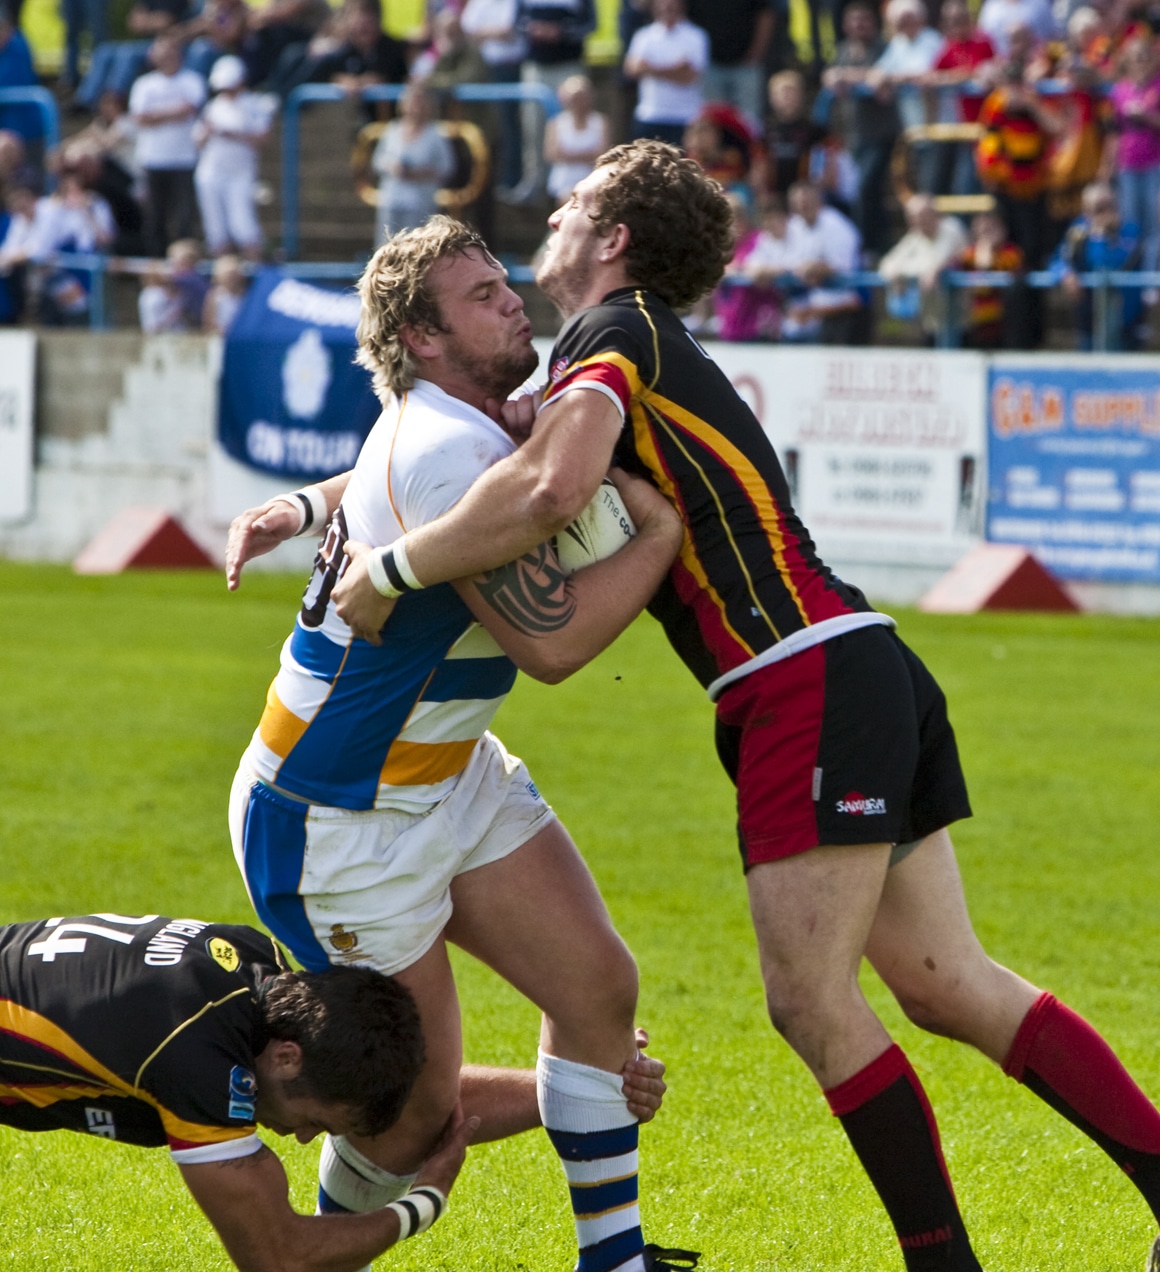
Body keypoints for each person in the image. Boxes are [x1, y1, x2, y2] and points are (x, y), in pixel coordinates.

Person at [299, 139, 1160, 1271]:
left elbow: (545, 487)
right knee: (947, 982)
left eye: (570, 203)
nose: (547, 218)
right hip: (853, 662)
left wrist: (394, 571)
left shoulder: (615, 334)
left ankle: (940, 1261)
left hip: (799, 677)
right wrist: (311, 501)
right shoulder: (622, 346)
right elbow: (479, 460)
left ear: (610, 239)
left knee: (809, 1001)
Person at [225, 216, 694, 1272]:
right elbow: (557, 645)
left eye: (501, 280)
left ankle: (615, 1263)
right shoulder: (444, 451)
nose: (513, 298)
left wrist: (306, 504)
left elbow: (426, 474)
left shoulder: (453, 420)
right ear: (422, 341)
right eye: (482, 296)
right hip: (338, 813)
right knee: (409, 1118)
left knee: (596, 989)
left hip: (442, 772)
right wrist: (658, 535)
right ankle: (318, 1250)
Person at [0, 910, 467, 1271]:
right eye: (316, 1122)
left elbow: (441, 1096)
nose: (303, 1138)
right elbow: (278, 1258)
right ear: (287, 1057)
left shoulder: (260, 961)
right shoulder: (197, 1055)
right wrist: (421, 1204)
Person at [129, 33, 207, 257]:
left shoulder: (192, 81)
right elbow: (139, 118)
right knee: (155, 217)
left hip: (184, 159)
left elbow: (189, 109)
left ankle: (187, 263)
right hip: (153, 159)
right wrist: (173, 112)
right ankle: (156, 261)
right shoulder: (144, 84)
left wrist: (155, 115)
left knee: (184, 217)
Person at [193, 54, 273, 259]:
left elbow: (262, 139)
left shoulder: (256, 104)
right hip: (211, 172)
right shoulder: (212, 106)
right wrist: (208, 132)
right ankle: (224, 280)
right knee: (216, 232)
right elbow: (198, 141)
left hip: (240, 174)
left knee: (244, 227)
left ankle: (255, 276)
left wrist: (231, 134)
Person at [371, 82, 455, 243]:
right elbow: (378, 161)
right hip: (392, 197)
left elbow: (447, 167)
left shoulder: (435, 135)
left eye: (420, 103)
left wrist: (422, 172)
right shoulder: (392, 130)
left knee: (415, 248)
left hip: (420, 200)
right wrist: (393, 167)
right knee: (385, 245)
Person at [623, 0, 709, 146]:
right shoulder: (644, 36)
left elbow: (689, 77)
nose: (668, 7)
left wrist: (650, 68)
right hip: (650, 115)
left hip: (684, 117)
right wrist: (675, 69)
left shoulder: (696, 36)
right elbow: (631, 70)